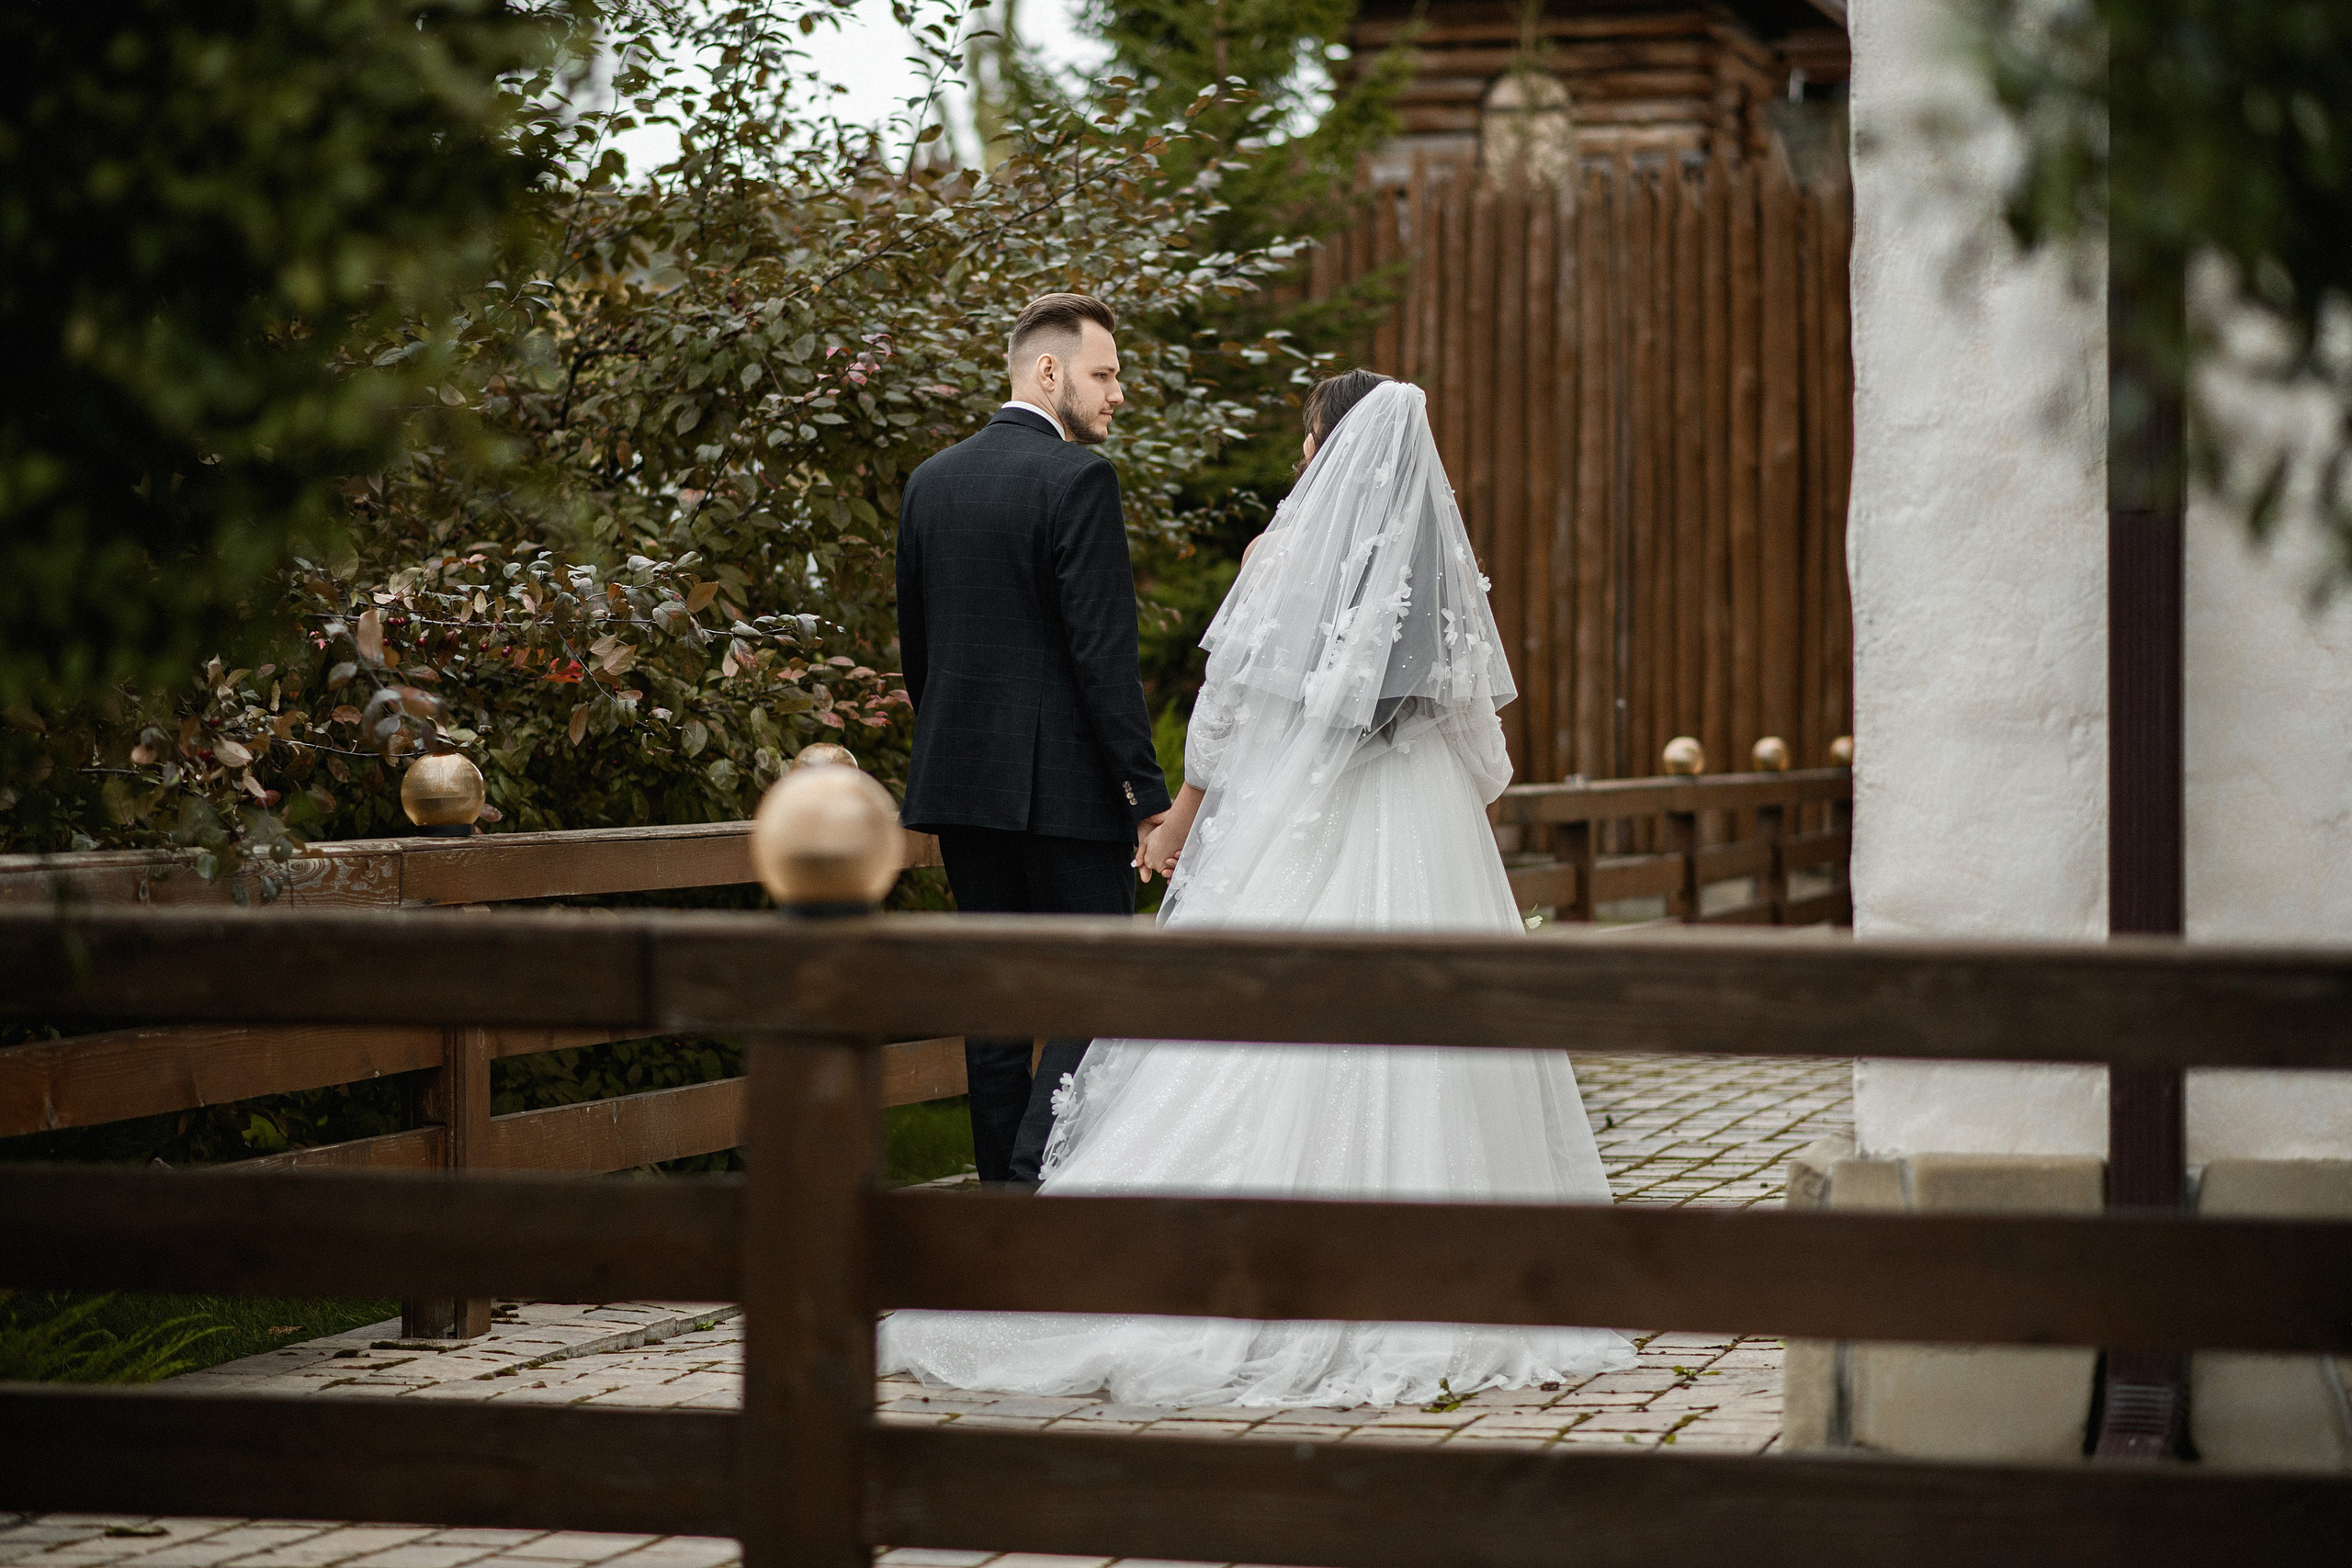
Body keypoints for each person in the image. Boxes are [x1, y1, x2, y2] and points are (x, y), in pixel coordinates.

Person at [880, 372, 1634, 1407]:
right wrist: (1440, 826)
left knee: (1244, 1037)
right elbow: (1483, 754)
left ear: (1329, 441)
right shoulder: (1442, 573)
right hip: (1417, 822)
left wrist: (1178, 815)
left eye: (1306, 437)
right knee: (1431, 1044)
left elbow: (1228, 710)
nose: (1300, 458)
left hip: (1296, 819)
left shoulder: (1278, 557)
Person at [896, 293, 1172, 1188]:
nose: (1117, 394)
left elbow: (919, 652)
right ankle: (1034, 1189)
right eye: (1104, 374)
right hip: (1066, 796)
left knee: (993, 1005)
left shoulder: (929, 481)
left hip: (964, 786)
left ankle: (1000, 1194)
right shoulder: (1079, 481)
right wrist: (1145, 796)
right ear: (1047, 371)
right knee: (1093, 996)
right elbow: (1103, 658)